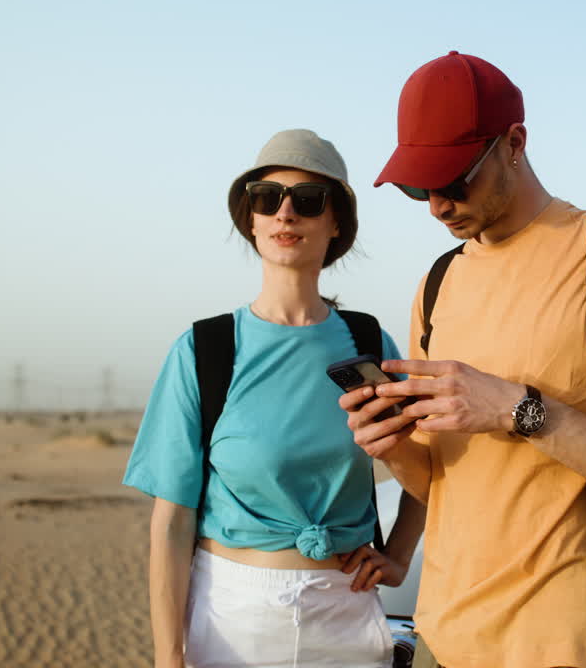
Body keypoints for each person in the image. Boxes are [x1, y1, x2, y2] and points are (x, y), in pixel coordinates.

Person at [342, 52, 586, 668]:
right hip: (443, 635)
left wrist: (520, 410)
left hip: (570, 641)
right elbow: (442, 485)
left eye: (453, 179)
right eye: (419, 187)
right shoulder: (437, 285)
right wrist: (391, 446)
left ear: (514, 143)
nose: (437, 205)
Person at [123, 128, 425, 668]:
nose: (285, 213)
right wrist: (169, 656)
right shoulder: (205, 350)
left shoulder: (369, 343)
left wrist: (399, 556)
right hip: (232, 619)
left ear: (336, 223)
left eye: (308, 200)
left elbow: (426, 471)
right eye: (267, 198)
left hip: (349, 614)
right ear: (252, 219)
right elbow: (171, 522)